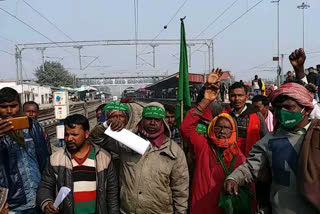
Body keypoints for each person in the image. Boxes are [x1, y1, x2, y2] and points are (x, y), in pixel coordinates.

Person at [225, 82, 320, 214]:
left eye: (289, 107)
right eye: (279, 108)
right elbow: (252, 166)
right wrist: (234, 178)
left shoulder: (316, 134)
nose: (282, 112)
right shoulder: (271, 140)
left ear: (306, 110)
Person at [89, 102, 189, 214]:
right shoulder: (126, 141)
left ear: (163, 122)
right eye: (148, 118)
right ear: (141, 119)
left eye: (157, 119)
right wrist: (106, 125)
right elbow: (95, 139)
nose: (152, 123)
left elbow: (180, 190)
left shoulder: (174, 151)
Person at [180, 77, 252, 214]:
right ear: (212, 128)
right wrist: (205, 101)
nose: (222, 131)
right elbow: (186, 128)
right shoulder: (204, 146)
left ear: (233, 131)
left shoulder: (239, 156)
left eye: (227, 128)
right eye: (218, 127)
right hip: (202, 207)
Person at [37, 114, 119, 214]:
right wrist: (46, 202)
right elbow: (45, 185)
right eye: (66, 135)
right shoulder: (56, 159)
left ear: (86, 134)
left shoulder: (104, 158)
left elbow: (112, 193)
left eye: (74, 135)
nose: (69, 139)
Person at [0, 87, 49, 213]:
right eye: (4, 107)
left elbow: (45, 158)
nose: (10, 111)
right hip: (12, 203)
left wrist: (48, 190)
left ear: (20, 105)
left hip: (39, 197)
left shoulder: (33, 126)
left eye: (13, 106)